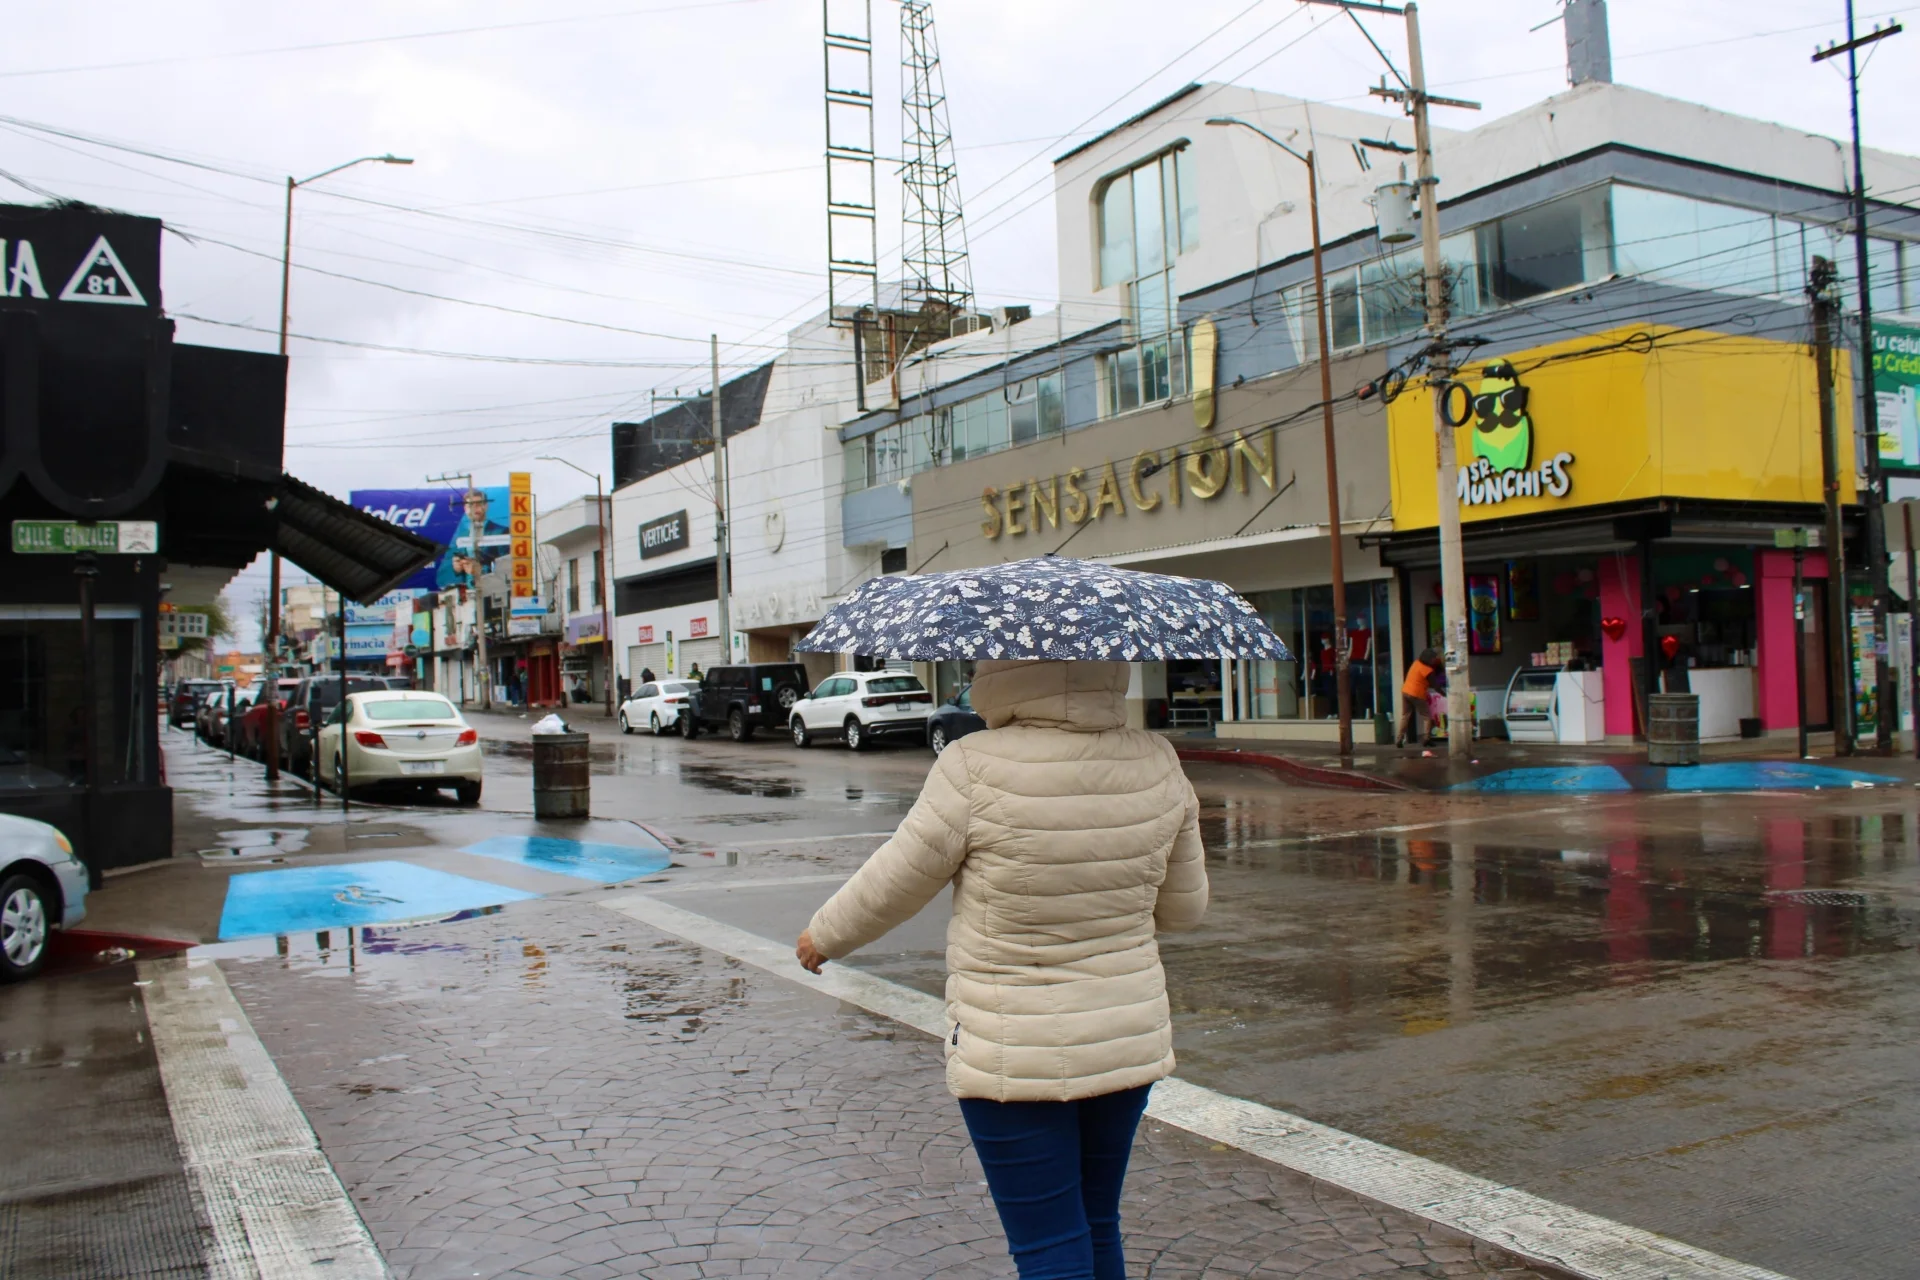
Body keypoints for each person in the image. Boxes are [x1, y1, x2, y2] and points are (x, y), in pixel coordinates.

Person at [795, 659, 1207, 1280]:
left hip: (1014, 1047)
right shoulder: (1157, 759)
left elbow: (898, 879)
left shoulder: (972, 765)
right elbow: (1184, 909)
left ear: (1005, 670)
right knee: (1098, 1224)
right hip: (1125, 1039)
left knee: (1047, 1244)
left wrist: (823, 936)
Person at [1397, 647, 1440, 747]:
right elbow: (1435, 685)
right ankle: (1426, 738)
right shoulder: (1427, 670)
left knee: (1405, 716)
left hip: (1405, 691)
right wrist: (1445, 694)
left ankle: (1399, 738)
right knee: (1426, 716)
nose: (1435, 660)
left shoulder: (1416, 663)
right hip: (1417, 693)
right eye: (1434, 658)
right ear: (1429, 659)